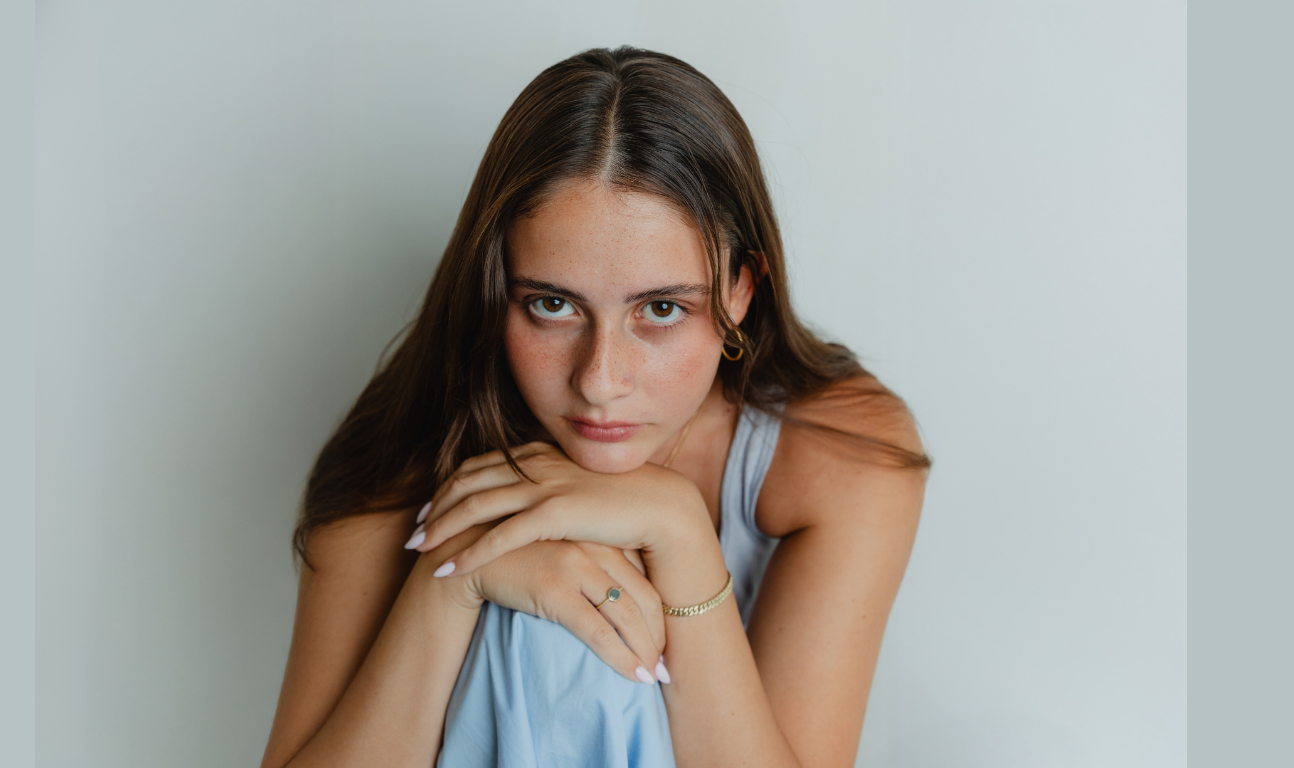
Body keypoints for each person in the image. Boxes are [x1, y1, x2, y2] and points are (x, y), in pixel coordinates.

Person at [259, 46, 930, 768]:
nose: (600, 380)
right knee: (539, 620)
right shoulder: (408, 445)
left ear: (741, 290)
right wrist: (450, 583)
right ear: (496, 287)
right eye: (552, 305)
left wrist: (680, 534)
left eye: (662, 309)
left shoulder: (840, 454)